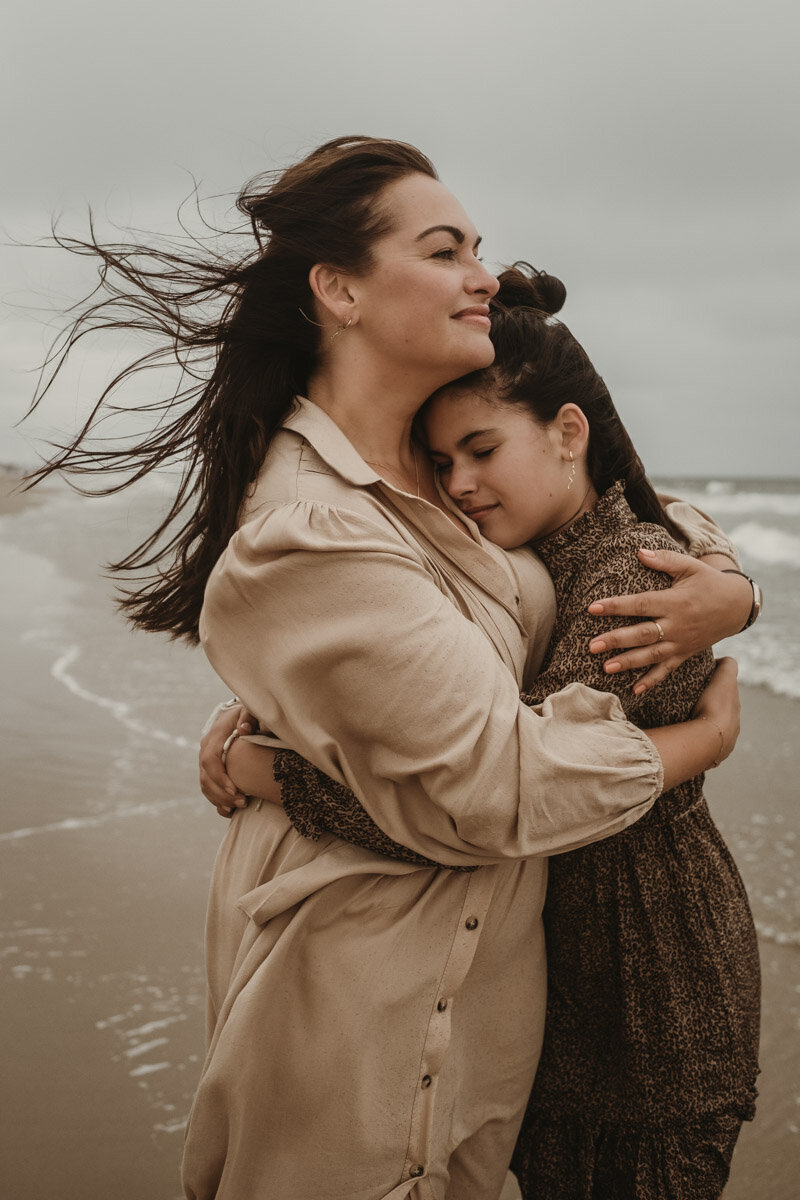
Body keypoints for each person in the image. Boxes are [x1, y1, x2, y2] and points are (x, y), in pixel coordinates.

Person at [24, 136, 755, 1199]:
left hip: (490, 1018)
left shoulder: (423, 461)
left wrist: (732, 585)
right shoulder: (310, 528)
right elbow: (491, 788)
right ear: (339, 290)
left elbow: (609, 511)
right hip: (368, 1013)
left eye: (479, 249)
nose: (481, 276)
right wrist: (702, 743)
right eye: (445, 248)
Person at [218, 263, 759, 1199]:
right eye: (440, 462)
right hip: (561, 989)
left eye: (480, 450)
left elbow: (476, 800)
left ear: (567, 432)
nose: (459, 484)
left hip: (649, 1004)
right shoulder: (548, 553)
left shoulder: (629, 592)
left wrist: (271, 772)